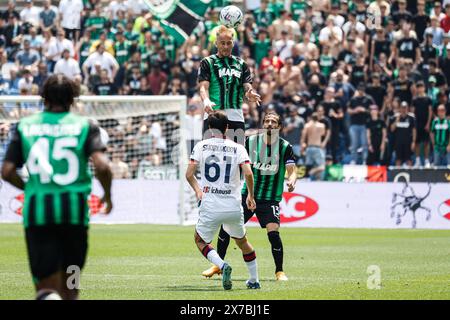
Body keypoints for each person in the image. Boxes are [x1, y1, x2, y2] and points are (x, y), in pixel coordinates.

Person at [1, 74, 113, 300]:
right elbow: (102, 166)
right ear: (73, 98)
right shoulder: (85, 126)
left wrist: (31, 188)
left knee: (45, 288)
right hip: (75, 218)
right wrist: (108, 196)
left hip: (38, 217)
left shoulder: (25, 126)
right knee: (71, 287)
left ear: (43, 97)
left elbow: (7, 171)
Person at [201, 111, 296, 281]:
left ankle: (279, 271)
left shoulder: (285, 147)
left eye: (273, 121)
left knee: (273, 233)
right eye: (267, 120)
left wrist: (292, 180)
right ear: (263, 124)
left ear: (279, 126)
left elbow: (292, 170)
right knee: (226, 228)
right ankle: (218, 266)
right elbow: (239, 164)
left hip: (269, 197)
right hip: (246, 195)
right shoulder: (250, 142)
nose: (269, 124)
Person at [186, 111, 260, 290]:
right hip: (233, 205)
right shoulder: (238, 148)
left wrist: (198, 191)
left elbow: (189, 174)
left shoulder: (201, 146)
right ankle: (254, 280)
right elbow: (249, 173)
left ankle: (222, 264)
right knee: (242, 242)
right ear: (227, 127)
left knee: (200, 240)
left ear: (209, 128)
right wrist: (250, 195)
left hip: (210, 204)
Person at [198, 25, 261, 145]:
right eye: (222, 43)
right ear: (216, 43)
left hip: (235, 115)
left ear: (233, 43)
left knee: (237, 156)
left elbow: (247, 86)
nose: (226, 46)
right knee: (210, 155)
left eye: (229, 43)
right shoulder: (207, 62)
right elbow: (203, 87)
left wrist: (250, 93)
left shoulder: (242, 64)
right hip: (214, 114)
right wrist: (206, 100)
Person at [411, 81, 433, 167]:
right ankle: (417, 161)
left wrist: (428, 123)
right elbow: (412, 112)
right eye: (418, 87)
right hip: (417, 124)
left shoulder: (428, 99)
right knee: (416, 143)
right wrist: (414, 125)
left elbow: (430, 111)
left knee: (426, 143)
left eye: (421, 87)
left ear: (424, 88)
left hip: (425, 124)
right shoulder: (414, 100)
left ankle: (427, 161)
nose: (420, 89)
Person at [391, 101, 416, 167]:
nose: (403, 109)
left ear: (407, 108)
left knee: (409, 160)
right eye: (402, 108)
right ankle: (397, 175)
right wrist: (397, 120)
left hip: (408, 142)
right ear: (400, 108)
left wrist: (413, 142)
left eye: (405, 108)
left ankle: (411, 175)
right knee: (398, 160)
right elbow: (392, 129)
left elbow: (414, 130)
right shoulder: (396, 117)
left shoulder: (411, 118)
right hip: (398, 142)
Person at [302, 112, 326, 180]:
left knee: (308, 165)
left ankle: (307, 176)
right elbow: (323, 134)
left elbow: (303, 137)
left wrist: (302, 147)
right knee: (322, 167)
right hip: (317, 147)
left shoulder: (307, 125)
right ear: (318, 118)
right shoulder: (321, 125)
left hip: (309, 147)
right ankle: (310, 173)